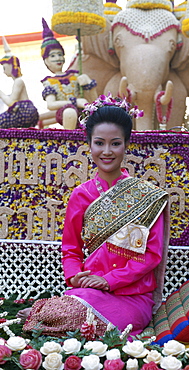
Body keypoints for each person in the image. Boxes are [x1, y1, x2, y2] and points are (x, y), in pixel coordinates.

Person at [18, 94, 169, 339]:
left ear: (126, 144)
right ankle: (52, 315)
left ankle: (50, 316)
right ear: (89, 144)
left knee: (73, 320)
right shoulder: (81, 195)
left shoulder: (146, 197)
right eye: (99, 143)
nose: (107, 151)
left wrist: (109, 281)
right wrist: (75, 275)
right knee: (71, 313)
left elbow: (151, 256)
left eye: (115, 143)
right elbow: (71, 249)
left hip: (132, 296)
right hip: (88, 291)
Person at [39, 18, 98, 129]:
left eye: (60, 54)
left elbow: (92, 100)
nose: (58, 58)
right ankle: (69, 141)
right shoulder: (49, 82)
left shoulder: (75, 76)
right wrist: (74, 101)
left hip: (82, 110)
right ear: (46, 60)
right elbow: (51, 105)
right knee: (70, 112)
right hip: (65, 112)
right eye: (53, 56)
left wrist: (88, 85)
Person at [0, 37, 39, 129]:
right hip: (24, 110)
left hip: (24, 111)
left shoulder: (18, 81)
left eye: (4, 68)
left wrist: (0, 93)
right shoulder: (17, 81)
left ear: (11, 66)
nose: (4, 71)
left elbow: (11, 102)